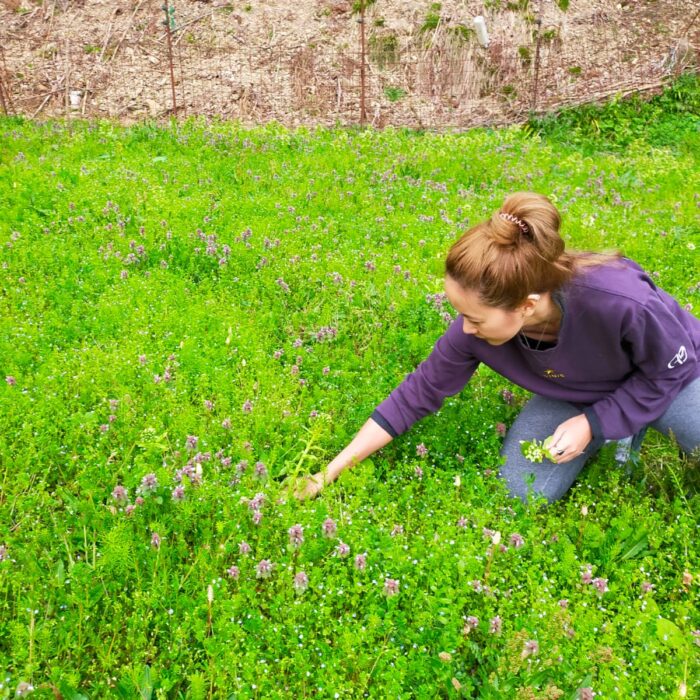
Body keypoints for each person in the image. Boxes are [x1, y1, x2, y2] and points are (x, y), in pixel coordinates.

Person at [293, 192, 700, 504]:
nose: (465, 329)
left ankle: (618, 431)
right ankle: (612, 434)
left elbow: (670, 368)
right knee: (524, 491)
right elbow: (417, 394)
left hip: (671, 377)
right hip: (578, 390)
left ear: (526, 306)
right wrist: (328, 473)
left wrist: (594, 422)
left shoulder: (620, 299)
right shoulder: (475, 331)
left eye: (476, 318)